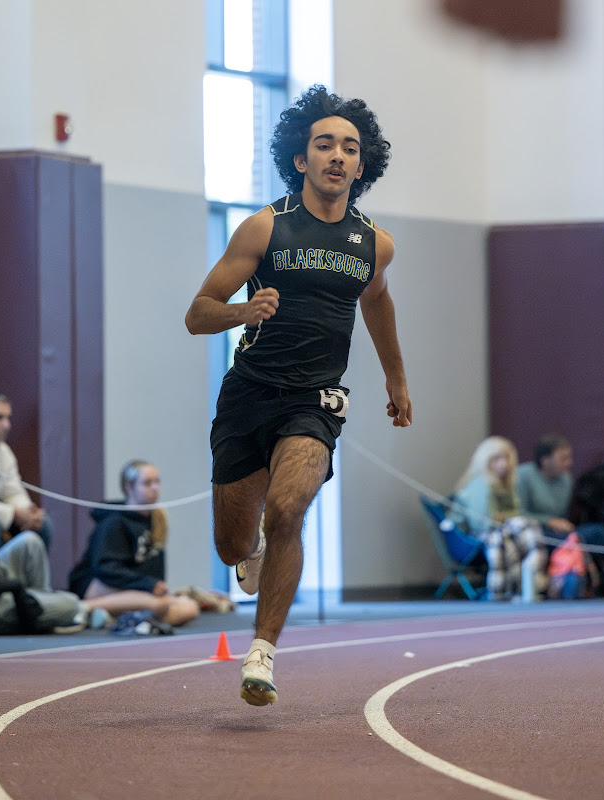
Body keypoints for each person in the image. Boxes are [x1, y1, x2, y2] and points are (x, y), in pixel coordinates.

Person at [185, 85, 412, 706]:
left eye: (350, 148)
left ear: (362, 166)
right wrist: (242, 311)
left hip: (316, 399)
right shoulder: (265, 227)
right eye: (324, 145)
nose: (337, 156)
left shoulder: (374, 243)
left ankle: (262, 653)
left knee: (289, 508)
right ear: (299, 158)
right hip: (249, 393)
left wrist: (395, 378)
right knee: (233, 543)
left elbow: (377, 302)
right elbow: (197, 314)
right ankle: (252, 550)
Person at [68, 460, 201, 627]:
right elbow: (106, 569)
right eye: (147, 483)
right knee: (159, 604)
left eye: (157, 482)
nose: (155, 488)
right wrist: (147, 584)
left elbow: (153, 566)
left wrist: (154, 586)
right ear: (129, 487)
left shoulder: (157, 519)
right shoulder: (114, 522)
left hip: (135, 588)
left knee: (189, 608)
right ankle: (81, 608)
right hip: (101, 585)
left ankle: (115, 618)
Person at [453, 436, 548, 601]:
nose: (503, 464)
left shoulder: (508, 483)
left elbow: (515, 512)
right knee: (509, 534)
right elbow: (483, 522)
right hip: (469, 538)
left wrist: (502, 517)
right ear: (485, 460)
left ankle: (528, 579)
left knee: (526, 525)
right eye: (496, 459)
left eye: (506, 458)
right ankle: (512, 588)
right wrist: (505, 517)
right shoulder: (480, 483)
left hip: (499, 530)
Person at [0, 530, 106, 634]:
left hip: (0, 574)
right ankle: (71, 612)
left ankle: (41, 613)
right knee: (72, 603)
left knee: (30, 540)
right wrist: (14, 587)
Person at [516, 434, 604, 548]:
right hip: (535, 532)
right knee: (561, 540)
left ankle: (573, 548)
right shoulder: (522, 475)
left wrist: (563, 525)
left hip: (561, 532)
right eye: (563, 459)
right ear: (545, 460)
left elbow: (563, 515)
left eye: (569, 458)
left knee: (599, 531)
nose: (569, 463)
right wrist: (549, 521)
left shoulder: (566, 479)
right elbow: (518, 514)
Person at [0, 392, 53, 553]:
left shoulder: (4, 452)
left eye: (8, 418)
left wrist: (28, 512)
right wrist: (12, 513)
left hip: (2, 513)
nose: (7, 425)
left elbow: (13, 492)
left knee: (43, 524)